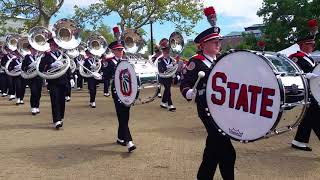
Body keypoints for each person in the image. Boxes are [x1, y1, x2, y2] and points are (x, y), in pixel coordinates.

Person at [180, 27, 236, 179]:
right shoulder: (195, 61)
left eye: (219, 41)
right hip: (207, 109)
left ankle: (203, 177)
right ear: (203, 44)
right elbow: (185, 82)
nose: (218, 44)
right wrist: (188, 92)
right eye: (214, 41)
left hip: (223, 109)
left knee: (213, 148)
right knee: (227, 151)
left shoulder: (220, 60)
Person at [290, 34, 320, 151]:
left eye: (313, 44)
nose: (313, 46)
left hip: (312, 91)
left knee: (308, 118)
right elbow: (291, 72)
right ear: (302, 45)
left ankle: (299, 141)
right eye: (310, 44)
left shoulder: (310, 58)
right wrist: (305, 75)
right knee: (316, 117)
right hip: (303, 91)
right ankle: (299, 141)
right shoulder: (295, 57)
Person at [38, 38, 74, 129]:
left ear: (58, 46)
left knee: (62, 101)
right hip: (53, 81)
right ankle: (56, 120)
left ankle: (60, 117)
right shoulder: (46, 56)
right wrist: (51, 65)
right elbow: (41, 68)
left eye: (55, 45)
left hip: (63, 80)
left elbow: (67, 67)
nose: (53, 46)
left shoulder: (63, 56)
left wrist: (71, 78)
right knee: (54, 100)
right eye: (51, 45)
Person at [109, 40, 136, 152]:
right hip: (117, 92)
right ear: (113, 51)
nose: (120, 51)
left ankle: (120, 138)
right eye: (118, 50)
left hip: (127, 91)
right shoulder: (109, 62)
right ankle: (129, 141)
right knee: (122, 116)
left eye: (121, 49)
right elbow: (106, 76)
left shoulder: (126, 62)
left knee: (125, 116)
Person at [21, 45, 42, 115]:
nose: (34, 50)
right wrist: (29, 66)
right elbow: (23, 67)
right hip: (31, 77)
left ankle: (37, 106)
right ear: (30, 49)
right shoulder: (27, 57)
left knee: (39, 93)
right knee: (34, 92)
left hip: (39, 77)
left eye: (35, 48)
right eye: (33, 49)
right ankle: (33, 106)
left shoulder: (40, 57)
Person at [158, 39, 176, 112]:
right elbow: (161, 69)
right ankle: (170, 104)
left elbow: (174, 68)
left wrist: (174, 75)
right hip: (162, 76)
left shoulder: (171, 59)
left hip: (170, 76)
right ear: (163, 51)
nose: (167, 52)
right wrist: (171, 65)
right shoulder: (160, 60)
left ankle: (163, 102)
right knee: (168, 89)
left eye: (168, 50)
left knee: (167, 89)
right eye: (165, 50)